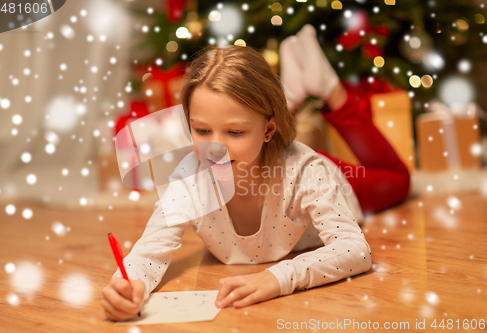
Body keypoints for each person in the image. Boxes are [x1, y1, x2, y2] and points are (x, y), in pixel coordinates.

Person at [101, 25, 408, 321]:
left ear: (269, 129)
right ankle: (290, 97)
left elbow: (355, 249)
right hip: (264, 153)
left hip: (325, 173)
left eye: (234, 132)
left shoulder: (307, 172)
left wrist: (277, 278)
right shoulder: (190, 178)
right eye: (202, 130)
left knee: (399, 180)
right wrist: (127, 285)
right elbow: (149, 252)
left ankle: (329, 88)